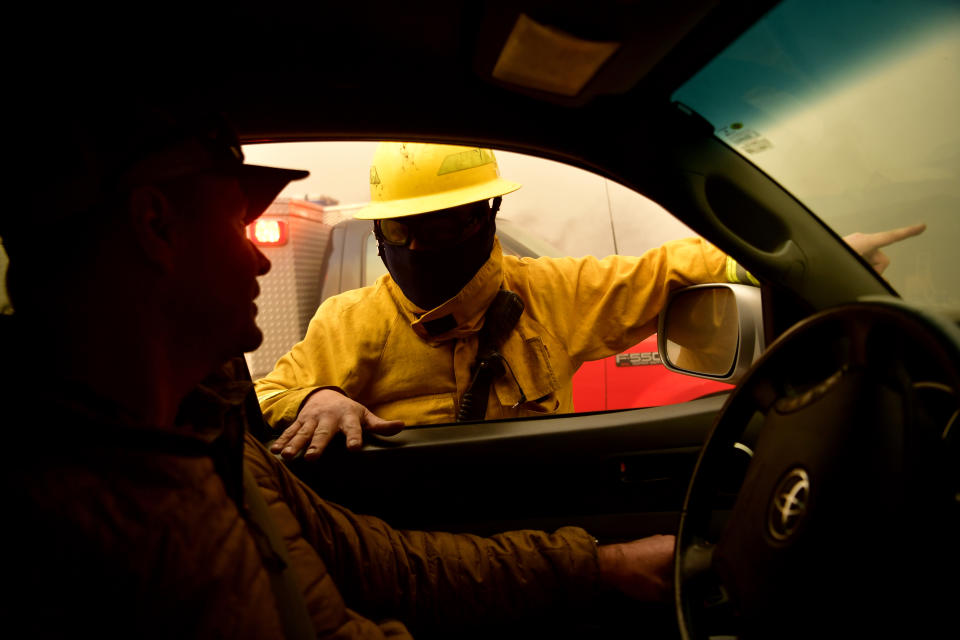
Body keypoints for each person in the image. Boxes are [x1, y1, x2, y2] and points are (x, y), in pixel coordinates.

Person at [1, 106, 676, 638]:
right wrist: (314, 395)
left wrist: (601, 564)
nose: (262, 263)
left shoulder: (221, 452)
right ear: (156, 226)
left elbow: (388, 566)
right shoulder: (74, 529)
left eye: (446, 227)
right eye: (239, 227)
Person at [254, 142, 926, 461]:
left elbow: (667, 270)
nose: (420, 247)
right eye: (402, 230)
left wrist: (807, 257)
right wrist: (319, 399)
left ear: (488, 216)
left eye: (447, 224)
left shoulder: (551, 291)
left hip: (539, 516)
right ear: (378, 232)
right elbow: (270, 396)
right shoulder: (349, 320)